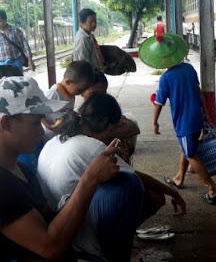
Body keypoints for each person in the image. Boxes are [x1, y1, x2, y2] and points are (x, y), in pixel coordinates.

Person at [37, 93, 186, 261]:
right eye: (114, 128)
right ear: (105, 123)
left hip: (58, 225)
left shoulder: (55, 140)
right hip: (78, 237)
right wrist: (172, 192)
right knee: (133, 186)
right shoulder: (92, 146)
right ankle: (113, 254)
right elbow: (137, 177)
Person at [0, 76, 120, 261]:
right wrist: (89, 179)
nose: (41, 131)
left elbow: (47, 216)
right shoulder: (3, 184)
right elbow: (50, 247)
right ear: (6, 123)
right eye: (35, 123)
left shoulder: (21, 169)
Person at [153, 61, 216, 205]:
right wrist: (206, 114)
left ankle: (212, 188)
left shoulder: (165, 78)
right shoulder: (189, 68)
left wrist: (155, 122)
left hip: (185, 123)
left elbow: (159, 103)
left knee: (190, 155)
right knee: (186, 149)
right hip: (197, 118)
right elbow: (199, 93)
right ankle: (179, 178)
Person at [82, 71, 140, 160]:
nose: (99, 99)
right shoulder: (79, 117)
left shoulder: (108, 112)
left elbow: (133, 128)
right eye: (94, 94)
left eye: (103, 93)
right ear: (82, 91)